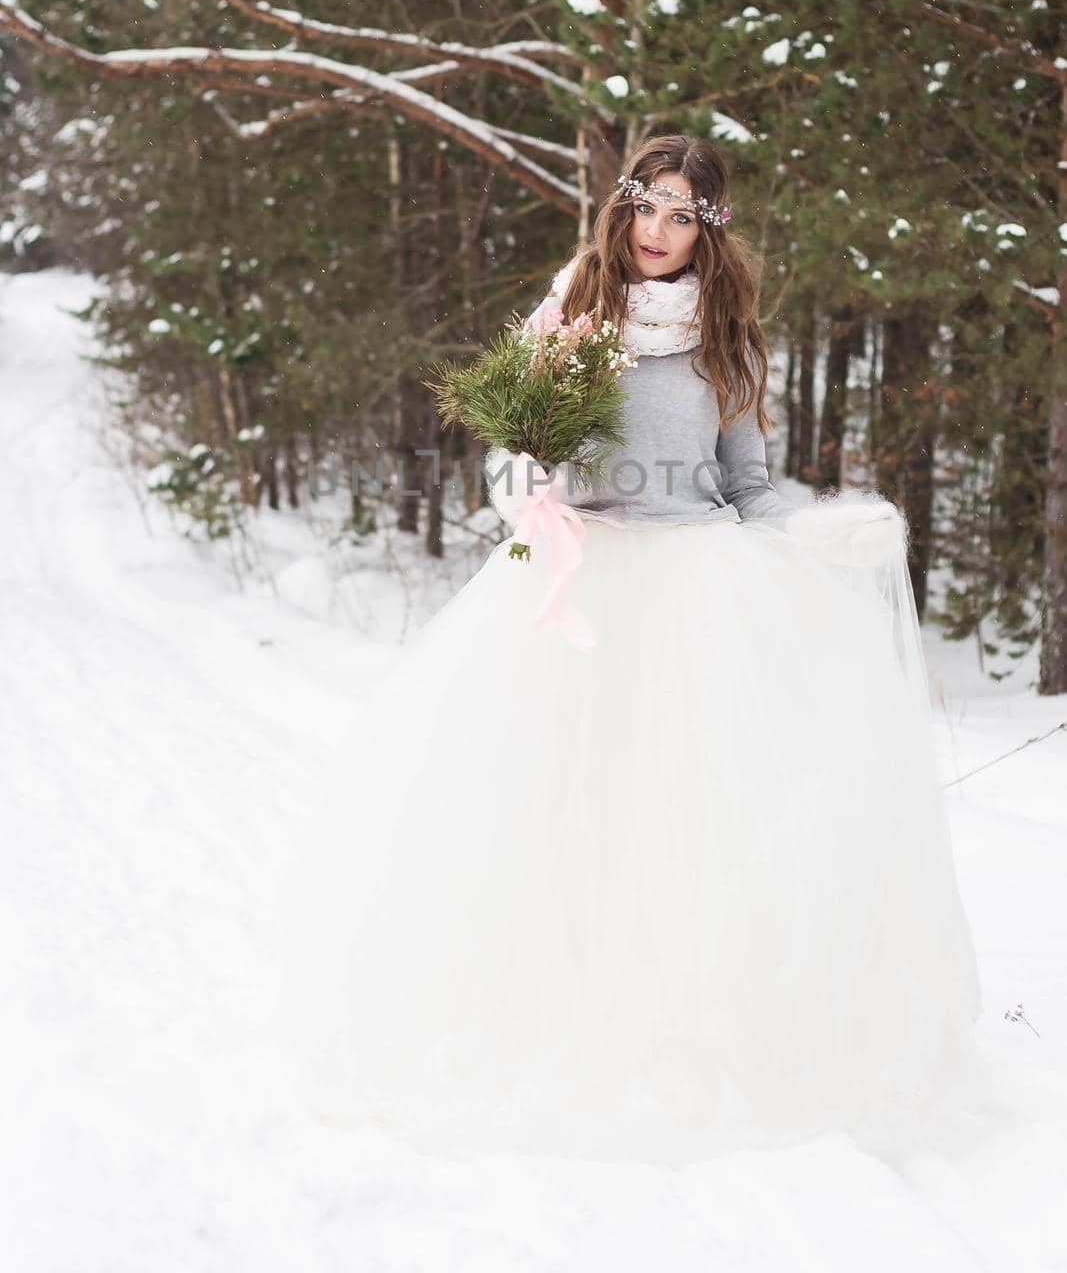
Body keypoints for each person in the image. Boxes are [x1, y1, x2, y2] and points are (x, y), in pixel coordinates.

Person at [275, 133, 984, 1165]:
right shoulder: (570, 310)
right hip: (579, 576)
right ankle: (543, 1005)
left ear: (710, 228)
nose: (657, 230)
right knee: (551, 791)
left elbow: (743, 482)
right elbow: (511, 443)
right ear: (621, 208)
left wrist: (809, 542)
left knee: (681, 809)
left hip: (694, 583)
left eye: (681, 214)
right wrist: (520, 484)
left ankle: (680, 1024)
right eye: (646, 206)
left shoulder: (729, 338)